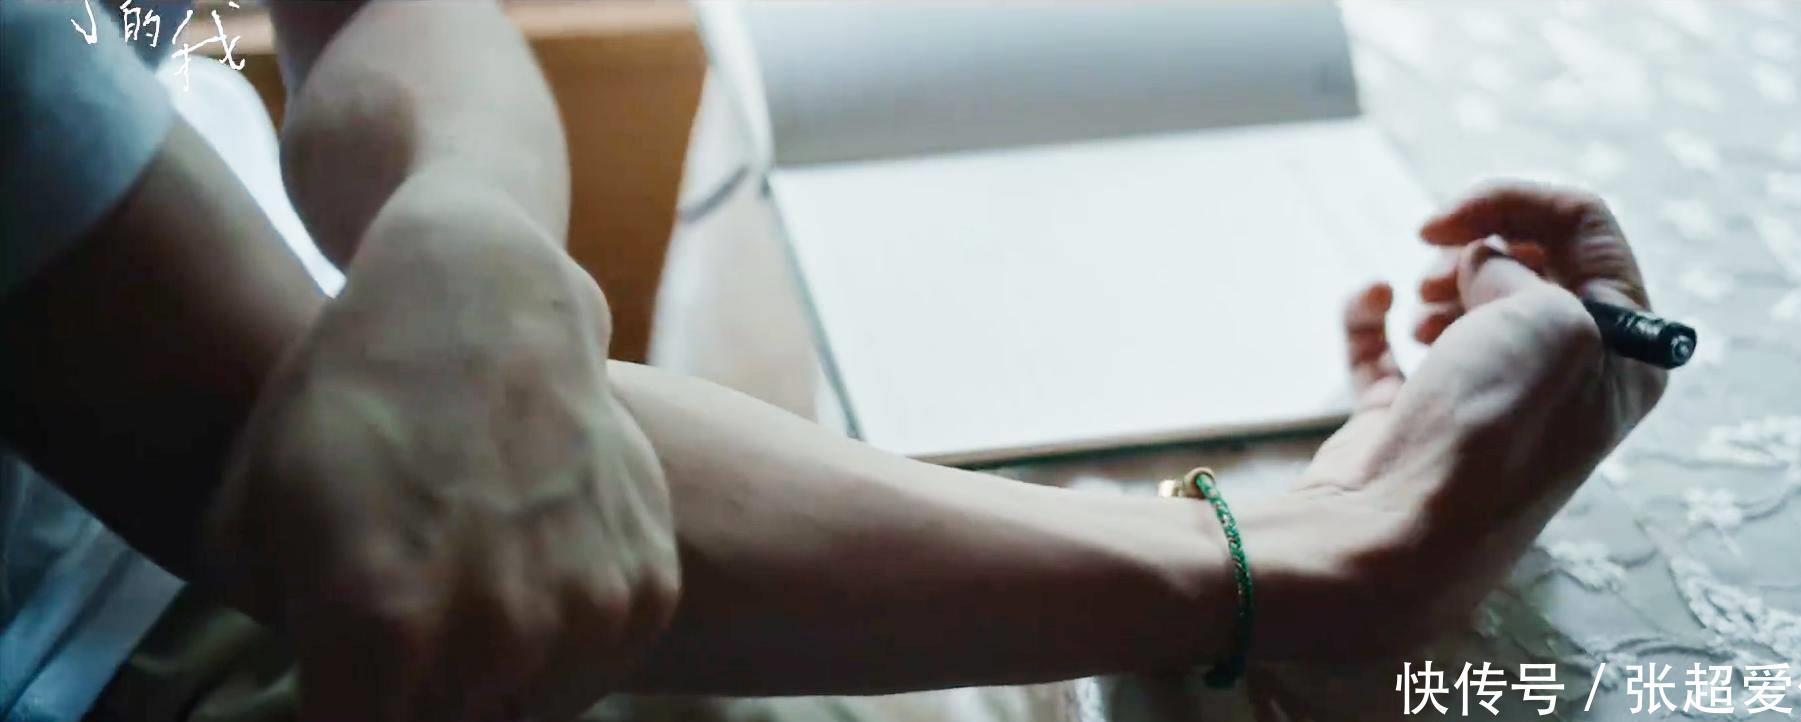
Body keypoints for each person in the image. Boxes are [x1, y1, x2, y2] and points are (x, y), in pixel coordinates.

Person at [1, 2, 1665, 721]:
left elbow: (384, 20)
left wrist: (473, 232)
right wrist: (1321, 551)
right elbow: (325, 465)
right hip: (139, 644)